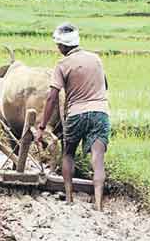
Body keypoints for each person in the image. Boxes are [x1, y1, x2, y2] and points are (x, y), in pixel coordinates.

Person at [35, 23, 111, 211]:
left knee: (68, 153)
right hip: (100, 112)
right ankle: (99, 204)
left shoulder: (62, 65)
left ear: (62, 46)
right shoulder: (96, 59)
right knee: (98, 157)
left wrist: (42, 126)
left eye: (57, 45)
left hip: (76, 114)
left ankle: (69, 198)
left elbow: (52, 97)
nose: (57, 48)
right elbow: (105, 85)